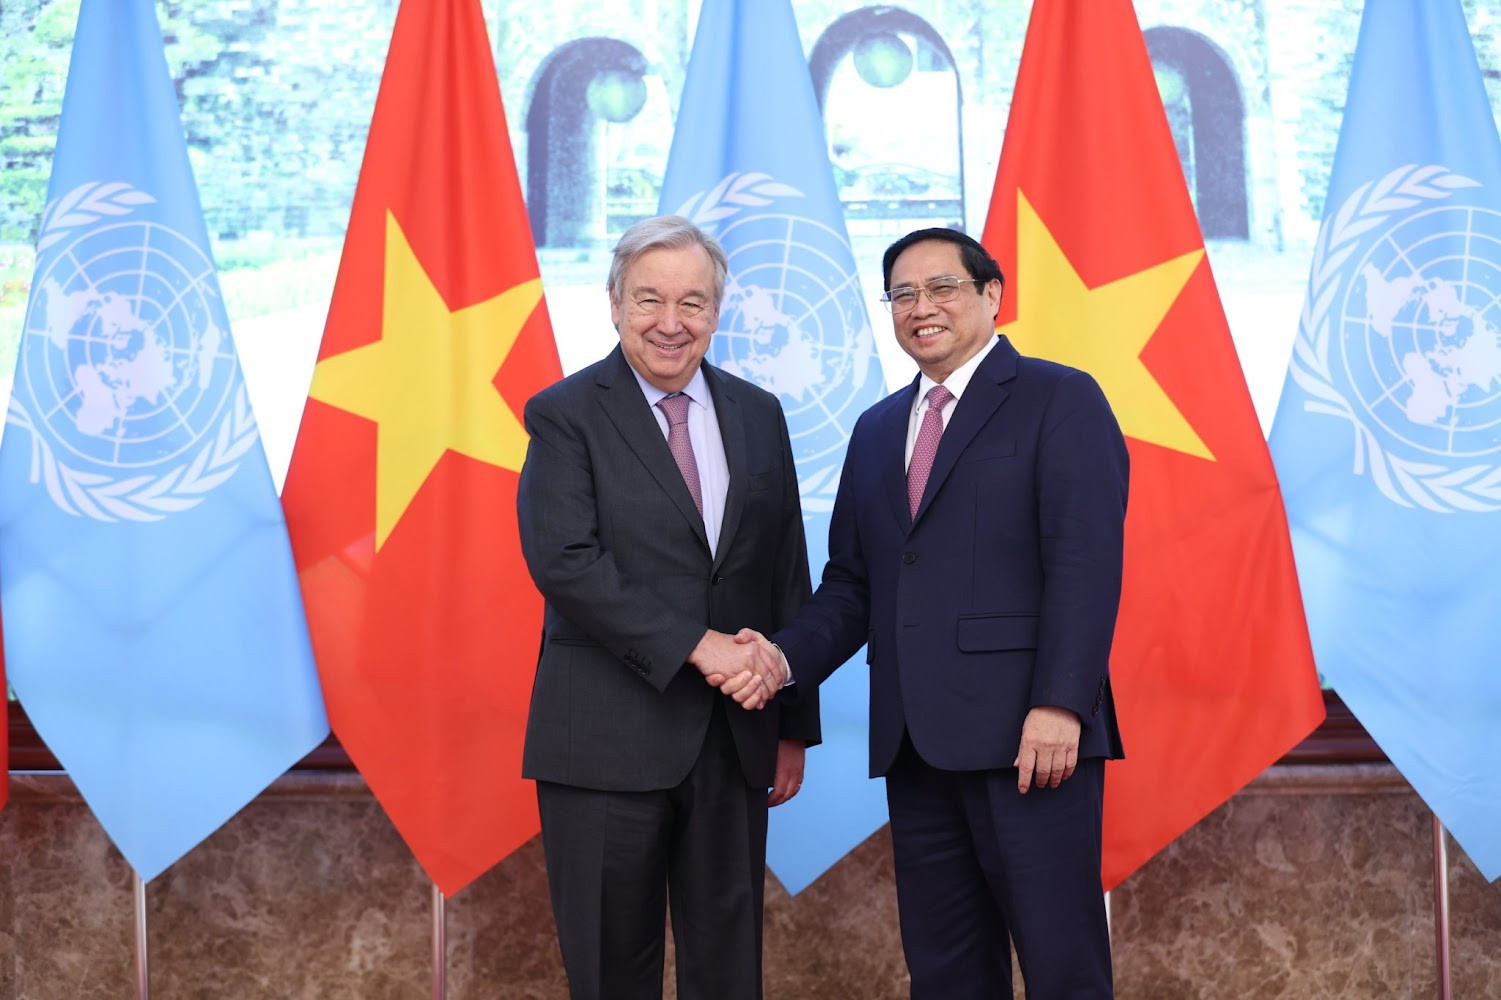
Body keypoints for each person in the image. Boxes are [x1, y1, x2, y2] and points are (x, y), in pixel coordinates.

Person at [734, 227, 1128, 998]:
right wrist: (779, 661)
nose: (921, 307)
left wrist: (1058, 705)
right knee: (946, 973)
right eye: (903, 294)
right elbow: (852, 585)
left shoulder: (1060, 397)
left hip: (1029, 742)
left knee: (1061, 967)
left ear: (990, 295)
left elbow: (1084, 565)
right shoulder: (878, 428)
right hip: (915, 746)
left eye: (942, 287)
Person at [516, 214, 818, 1000]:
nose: (670, 323)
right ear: (613, 304)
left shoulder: (758, 414)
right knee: (613, 969)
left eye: (693, 302)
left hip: (734, 741)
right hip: (606, 741)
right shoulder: (564, 413)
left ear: (717, 313)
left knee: (729, 972)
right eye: (649, 299)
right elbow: (565, 563)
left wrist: (791, 725)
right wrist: (699, 646)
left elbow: (785, 568)